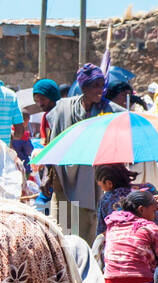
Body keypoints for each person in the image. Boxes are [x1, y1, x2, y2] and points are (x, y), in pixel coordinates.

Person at [44, 63, 121, 239]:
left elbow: (124, 122)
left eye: (102, 85)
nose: (100, 90)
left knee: (90, 231)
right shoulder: (64, 108)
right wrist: (48, 175)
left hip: (94, 181)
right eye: (95, 85)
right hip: (64, 180)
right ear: (83, 87)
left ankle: (88, 263)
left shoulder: (108, 110)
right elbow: (52, 141)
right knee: (64, 232)